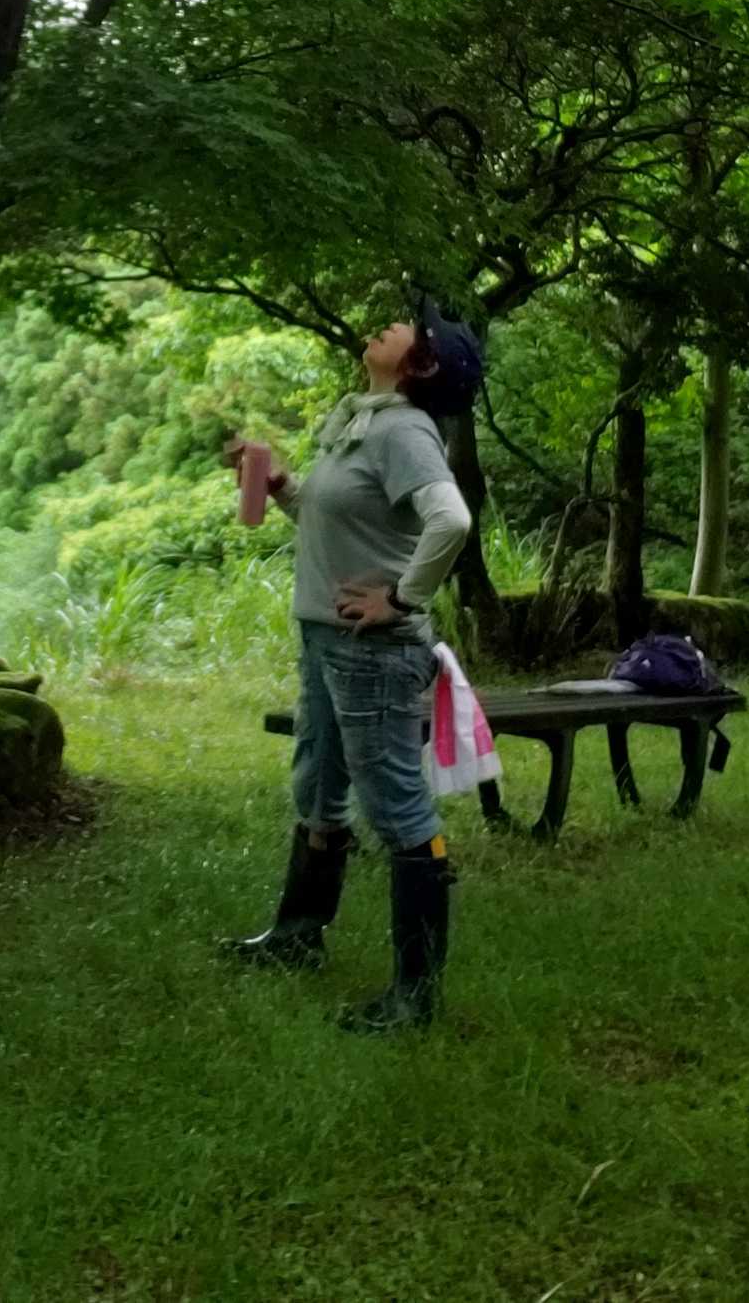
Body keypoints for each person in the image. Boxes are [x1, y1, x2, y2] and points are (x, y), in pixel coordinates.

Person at [222, 298, 482, 1034]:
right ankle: (297, 935)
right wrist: (282, 487)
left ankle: (415, 995)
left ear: (421, 364)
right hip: (325, 638)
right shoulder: (364, 421)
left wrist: (400, 598)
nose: (391, 325)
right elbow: (333, 519)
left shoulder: (404, 429)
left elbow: (452, 519)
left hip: (373, 649)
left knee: (397, 805)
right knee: (317, 785)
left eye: (410, 329)